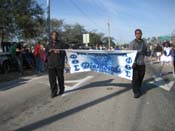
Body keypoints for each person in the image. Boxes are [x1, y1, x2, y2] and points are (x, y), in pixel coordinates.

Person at [45, 31, 66, 98]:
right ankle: (53, 92)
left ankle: (61, 90)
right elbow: (45, 54)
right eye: (53, 35)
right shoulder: (48, 45)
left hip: (59, 64)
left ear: (57, 36)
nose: (54, 36)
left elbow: (66, 52)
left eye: (56, 35)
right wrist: (49, 51)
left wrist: (60, 51)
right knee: (52, 80)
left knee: (60, 78)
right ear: (51, 36)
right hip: (51, 65)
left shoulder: (61, 44)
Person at [129, 29, 148, 98]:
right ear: (135, 35)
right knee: (135, 78)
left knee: (141, 77)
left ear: (141, 34)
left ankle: (138, 88)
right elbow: (130, 54)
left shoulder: (145, 43)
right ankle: (136, 92)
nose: (138, 34)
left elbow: (148, 51)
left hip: (142, 63)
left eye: (139, 33)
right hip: (135, 64)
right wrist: (133, 62)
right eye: (137, 33)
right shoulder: (132, 43)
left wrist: (147, 52)